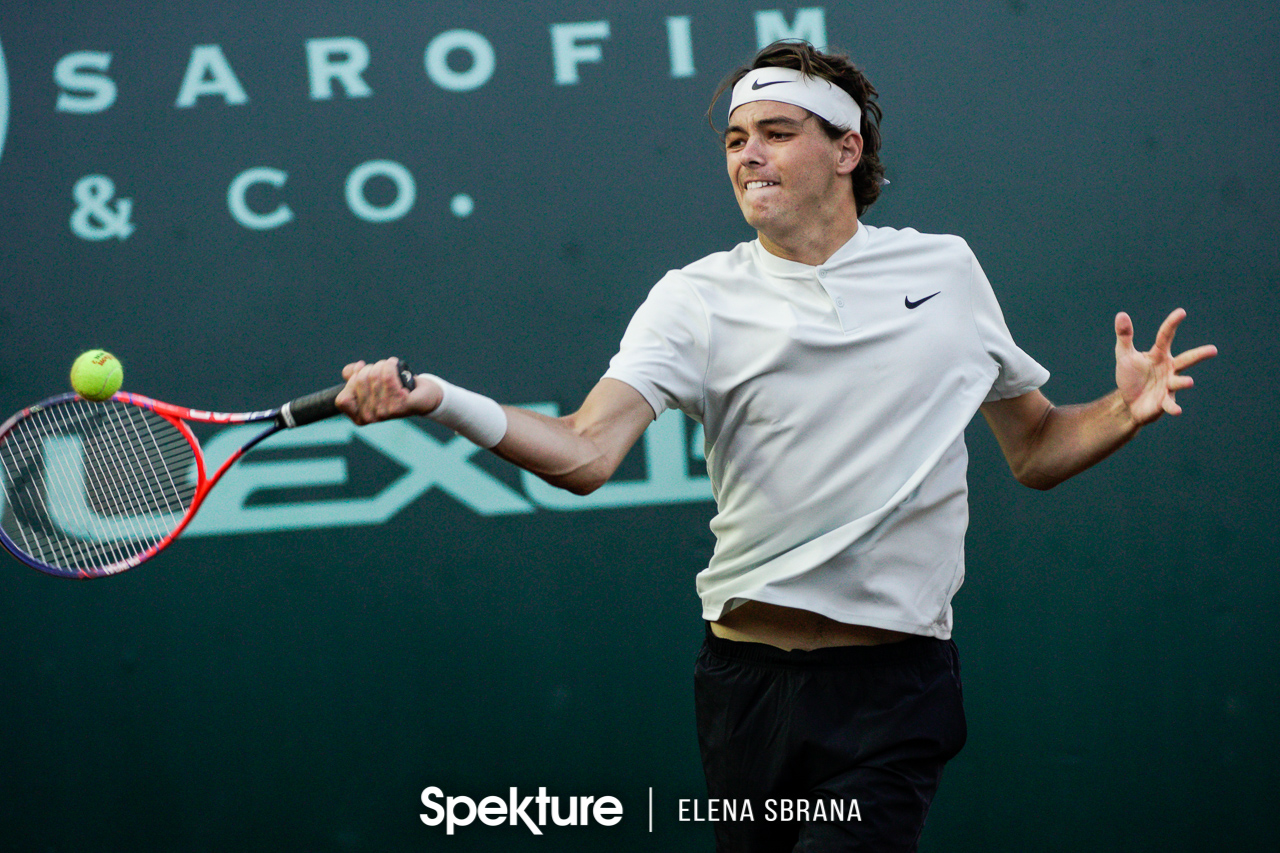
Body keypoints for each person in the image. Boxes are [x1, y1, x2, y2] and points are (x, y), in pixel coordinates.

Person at [336, 41, 1217, 853]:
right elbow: (584, 451)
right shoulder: (694, 299)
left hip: (894, 693)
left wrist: (1119, 410)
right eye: (735, 139)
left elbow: (1034, 448)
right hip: (743, 690)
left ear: (846, 149)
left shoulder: (944, 272)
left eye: (776, 133)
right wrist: (437, 398)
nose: (747, 154)